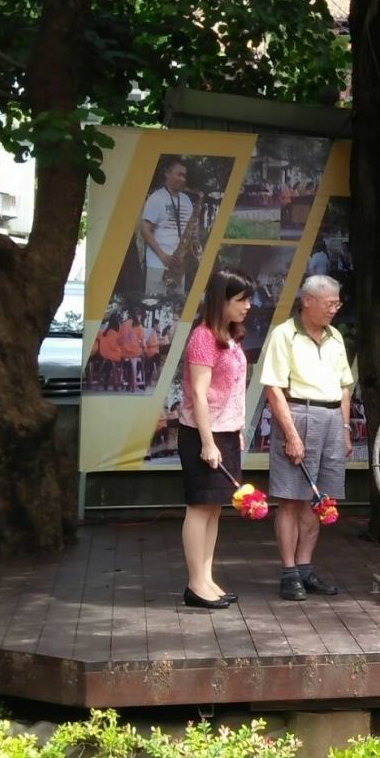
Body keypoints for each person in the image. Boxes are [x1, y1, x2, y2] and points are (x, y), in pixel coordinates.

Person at [261, 275, 354, 601]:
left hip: (331, 417)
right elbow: (273, 388)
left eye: (337, 303)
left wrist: (344, 429)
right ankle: (288, 572)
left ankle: (304, 568)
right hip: (299, 414)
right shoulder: (284, 335)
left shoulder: (335, 337)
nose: (335, 309)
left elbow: (345, 385)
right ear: (308, 301)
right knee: (290, 498)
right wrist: (291, 435)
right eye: (330, 304)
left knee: (320, 499)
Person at [179, 267, 255, 610]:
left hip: (225, 431)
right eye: (241, 299)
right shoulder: (203, 336)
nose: (248, 306)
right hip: (201, 433)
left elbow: (235, 390)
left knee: (214, 509)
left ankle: (207, 578)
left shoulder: (230, 336)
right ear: (221, 300)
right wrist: (208, 442)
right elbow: (198, 393)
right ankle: (195, 583)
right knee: (199, 507)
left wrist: (236, 431)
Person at [141, 159, 195, 295]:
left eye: (184, 176)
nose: (182, 179)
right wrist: (163, 256)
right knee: (156, 307)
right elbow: (145, 229)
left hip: (178, 265)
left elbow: (189, 230)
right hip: (158, 264)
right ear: (167, 174)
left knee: (176, 309)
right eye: (178, 174)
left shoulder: (186, 200)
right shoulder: (156, 198)